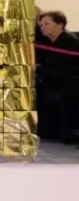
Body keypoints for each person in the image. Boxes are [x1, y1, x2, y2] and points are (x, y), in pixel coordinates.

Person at [35, 10, 79, 144]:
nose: (42, 27)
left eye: (47, 24)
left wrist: (39, 68)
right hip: (60, 79)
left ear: (60, 25)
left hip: (70, 81)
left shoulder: (68, 41)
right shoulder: (51, 41)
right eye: (41, 24)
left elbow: (59, 67)